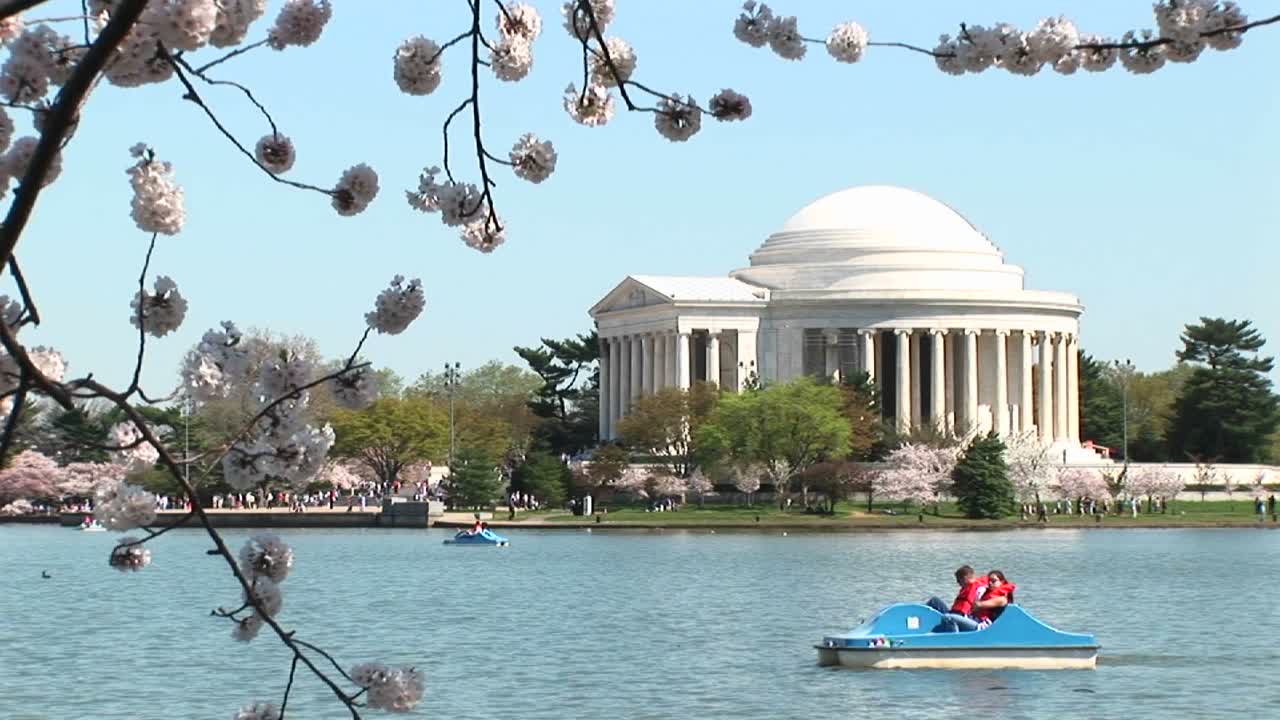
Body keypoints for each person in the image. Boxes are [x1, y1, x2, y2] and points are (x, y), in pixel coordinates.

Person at [925, 565, 987, 632]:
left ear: (965, 578)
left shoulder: (979, 589)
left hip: (963, 616)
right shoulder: (967, 587)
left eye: (958, 580)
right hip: (953, 614)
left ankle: (954, 637)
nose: (957, 582)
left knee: (948, 617)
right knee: (934, 601)